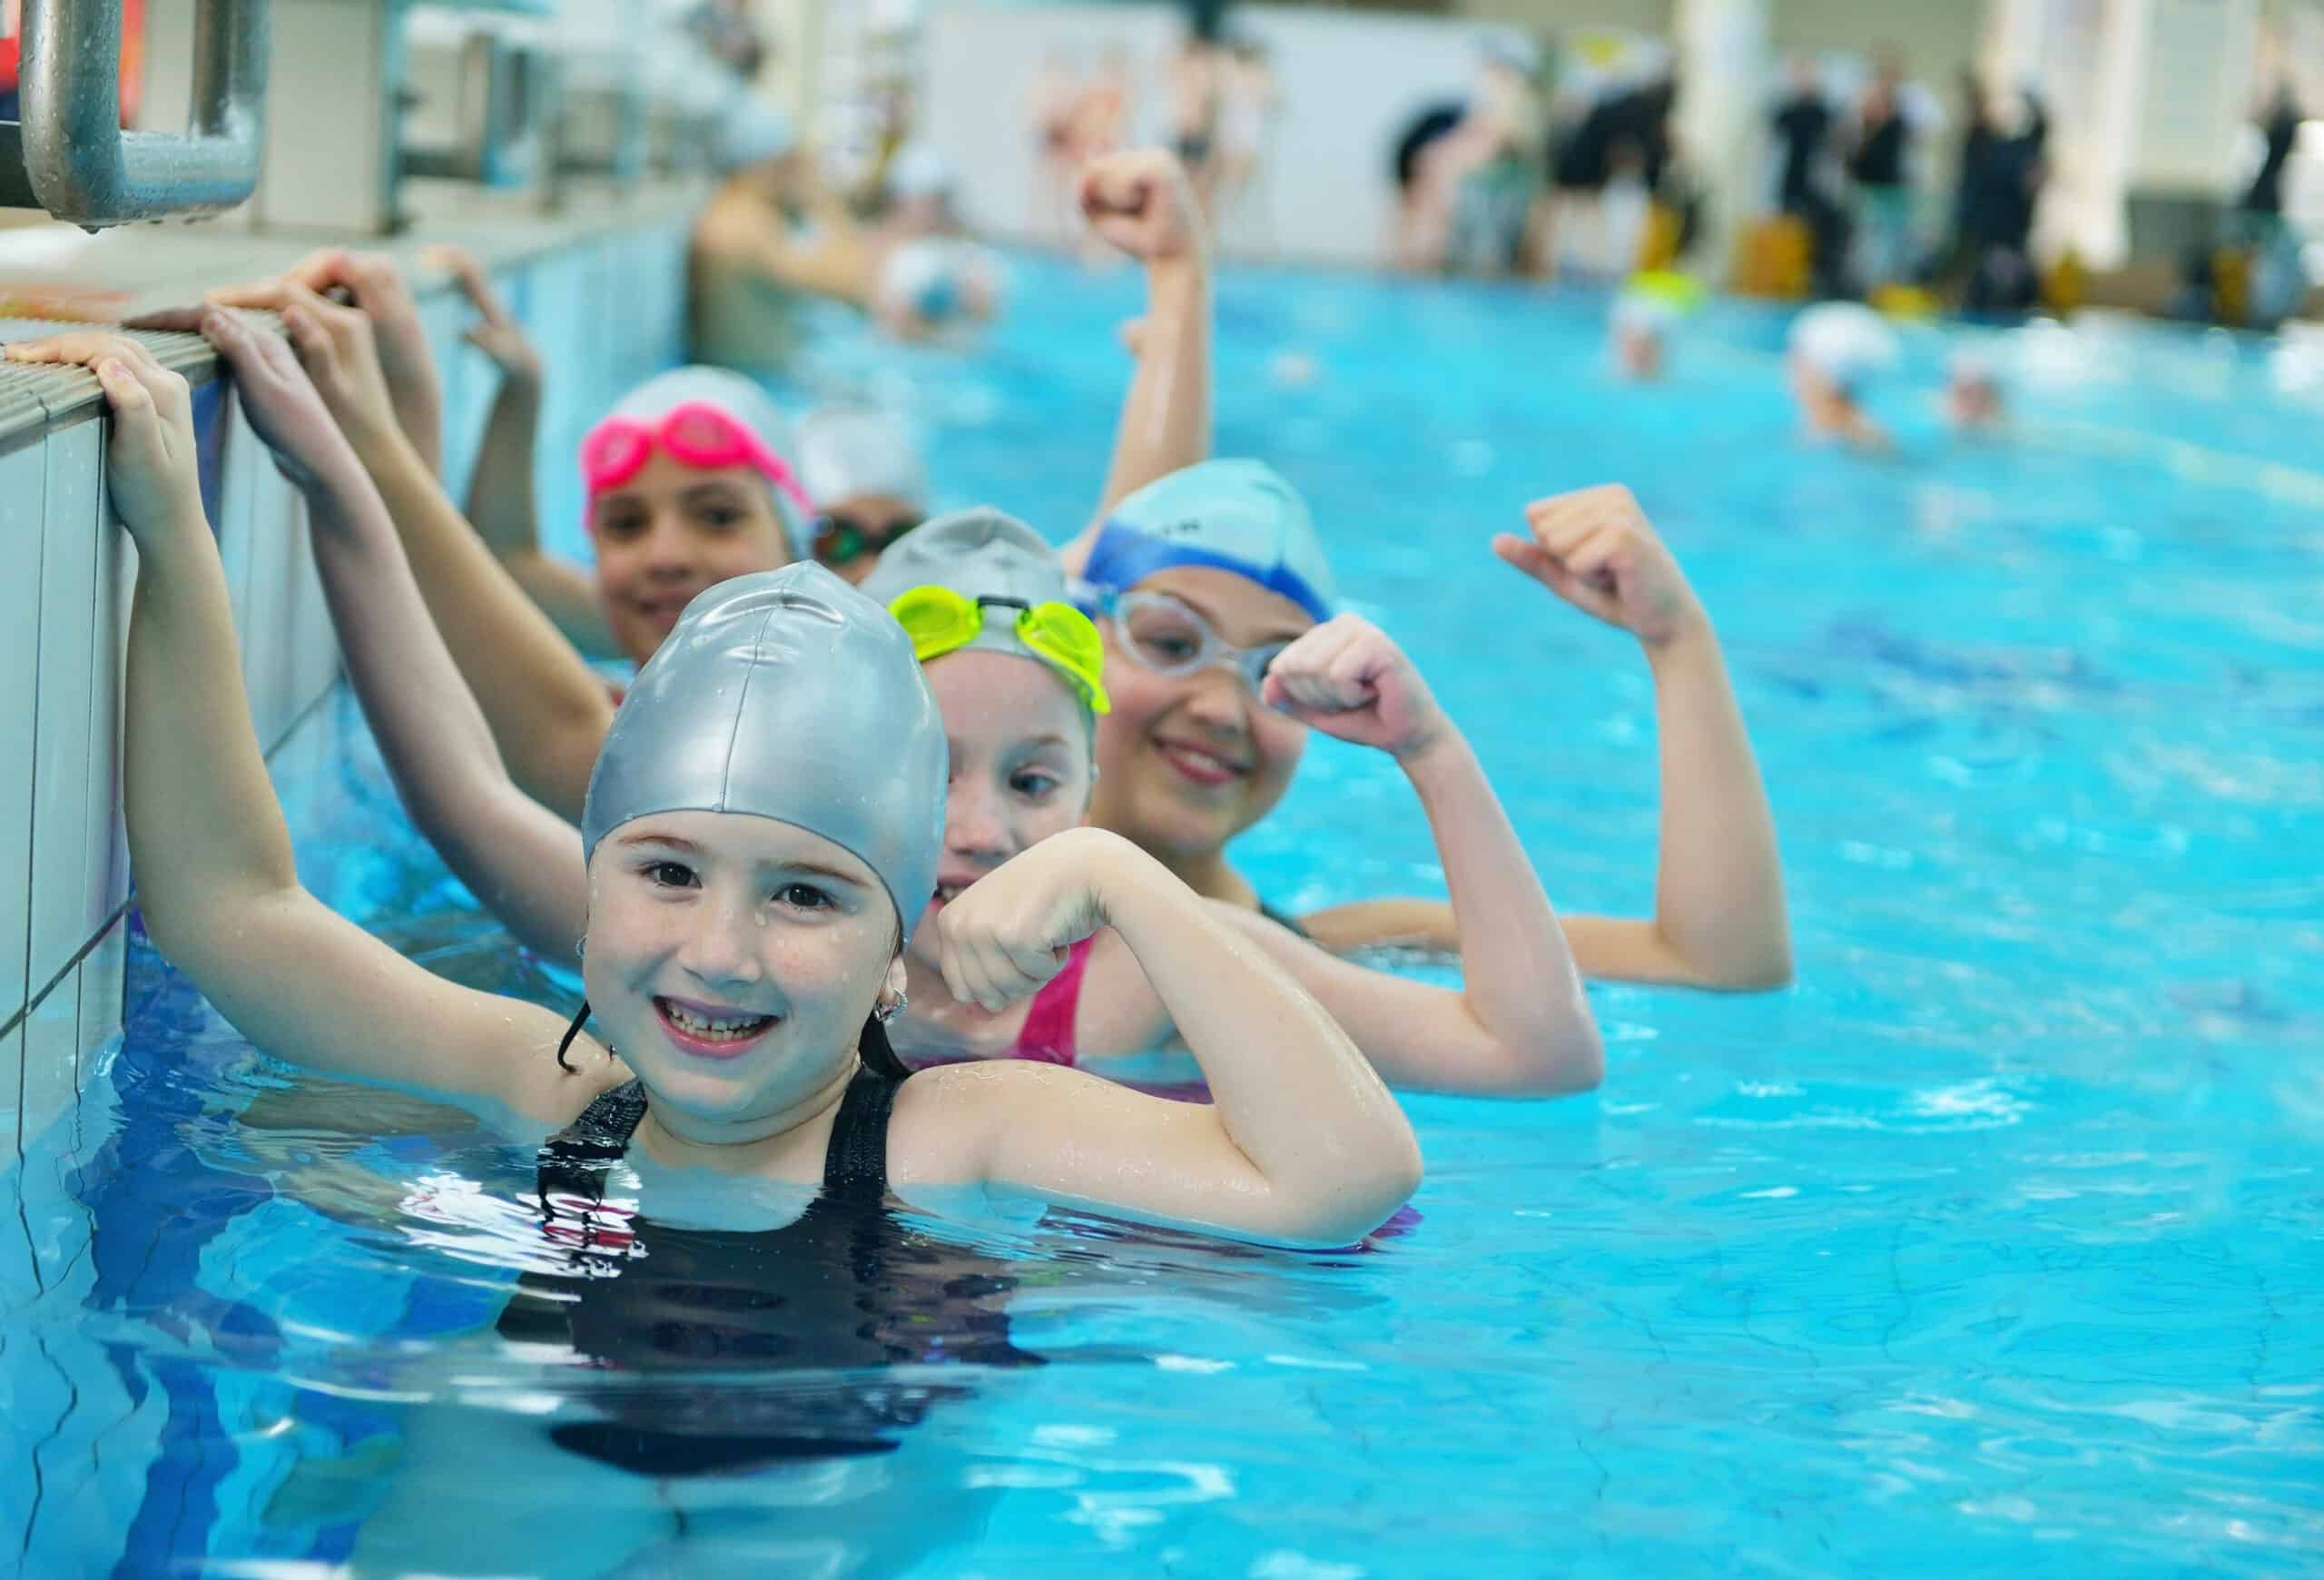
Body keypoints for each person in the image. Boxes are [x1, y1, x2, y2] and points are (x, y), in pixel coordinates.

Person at [6, 320, 1421, 1248]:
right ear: (593, 878)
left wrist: (1125, 876)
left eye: (809, 893)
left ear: (892, 956)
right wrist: (174, 543)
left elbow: (1344, 1179)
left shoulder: (959, 1131)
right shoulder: (550, 1086)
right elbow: (233, 910)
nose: (719, 953)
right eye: (667, 871)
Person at [157, 147, 1213, 825]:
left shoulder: (844, 718)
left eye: (716, 514)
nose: (666, 553)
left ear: (797, 536)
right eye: (624, 524)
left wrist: (1178, 293)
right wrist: (481, 401)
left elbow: (1130, 552)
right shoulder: (641, 717)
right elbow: (491, 585)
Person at [1059, 461, 1792, 989]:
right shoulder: (954, 899)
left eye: (1272, 669)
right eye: (1171, 643)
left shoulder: (1338, 954)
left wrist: (1678, 642)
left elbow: (1716, 964)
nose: (1221, 708)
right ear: (1072, 651)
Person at [1769, 56, 1848, 298]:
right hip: (1792, 181)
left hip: (1816, 184)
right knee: (1791, 232)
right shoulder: (1789, 109)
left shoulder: (1822, 110)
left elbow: (1836, 140)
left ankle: (1816, 277)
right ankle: (1785, 281)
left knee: (1820, 233)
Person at [1787, 300, 1898, 449]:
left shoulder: (1863, 445)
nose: (1789, 366)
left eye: (1799, 357)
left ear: (1823, 373)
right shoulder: (1868, 439)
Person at [1846, 58, 1915, 292]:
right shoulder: (1866, 129)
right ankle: (1869, 288)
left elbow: (1882, 163)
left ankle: (1884, 288)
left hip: (1887, 193)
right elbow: (1855, 163)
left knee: (1886, 246)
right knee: (1867, 247)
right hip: (1868, 192)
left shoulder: (1894, 128)